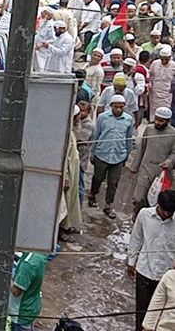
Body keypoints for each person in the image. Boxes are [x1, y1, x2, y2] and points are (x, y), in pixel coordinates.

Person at [129, 190, 175, 329]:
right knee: (141, 310)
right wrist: (131, 262)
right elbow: (136, 238)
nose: (167, 215)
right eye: (165, 211)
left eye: (170, 212)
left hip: (165, 275)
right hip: (145, 269)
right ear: (158, 205)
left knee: (161, 312)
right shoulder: (144, 214)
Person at [89, 94, 136, 218]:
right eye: (116, 107)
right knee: (98, 177)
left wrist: (126, 154)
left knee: (113, 182)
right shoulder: (102, 117)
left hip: (118, 155)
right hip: (102, 153)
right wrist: (93, 153)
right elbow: (96, 135)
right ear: (111, 106)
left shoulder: (128, 119)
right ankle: (93, 194)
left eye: (121, 107)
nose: (119, 109)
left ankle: (108, 205)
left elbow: (129, 138)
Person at [128, 107, 175, 210]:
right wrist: (134, 167)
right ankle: (137, 216)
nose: (157, 122)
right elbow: (141, 148)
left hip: (162, 171)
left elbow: (174, 153)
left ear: (168, 121)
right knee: (139, 197)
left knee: (156, 199)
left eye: (161, 121)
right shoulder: (149, 129)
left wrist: (169, 162)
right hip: (146, 167)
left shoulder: (173, 133)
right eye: (156, 119)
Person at [7, 251, 48, 331]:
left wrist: (4, 277)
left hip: (21, 311)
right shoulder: (39, 255)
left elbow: (16, 291)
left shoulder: (28, 265)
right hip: (31, 305)